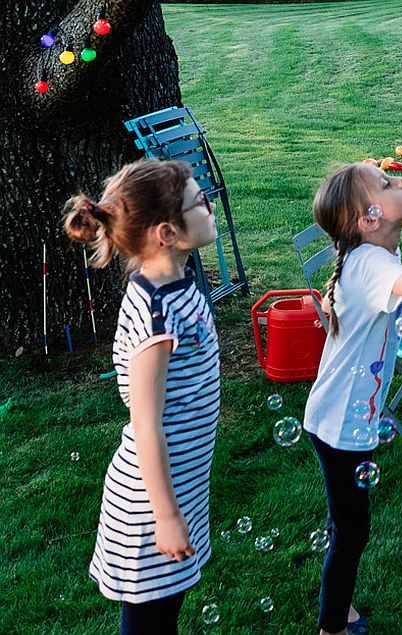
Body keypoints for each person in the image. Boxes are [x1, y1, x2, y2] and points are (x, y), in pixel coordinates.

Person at [63, 159, 220, 635]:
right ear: (167, 233)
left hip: (180, 480)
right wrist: (166, 516)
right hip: (151, 503)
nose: (209, 204)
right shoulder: (157, 317)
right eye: (199, 201)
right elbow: (145, 422)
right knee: (149, 618)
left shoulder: (177, 284)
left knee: (165, 610)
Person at [303, 162, 402, 635]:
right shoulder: (368, 264)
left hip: (345, 417)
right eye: (387, 184)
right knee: (352, 531)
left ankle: (338, 605)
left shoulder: (373, 253)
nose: (401, 182)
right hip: (342, 423)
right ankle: (332, 628)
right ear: (368, 219)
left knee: (344, 522)